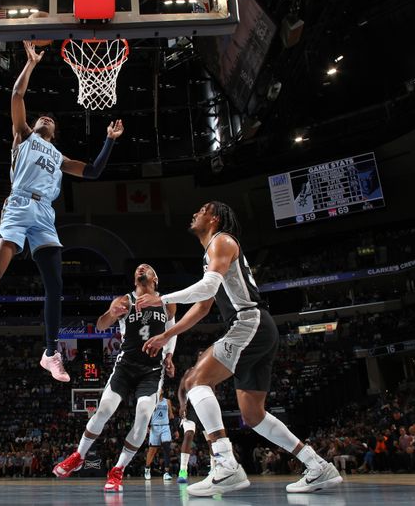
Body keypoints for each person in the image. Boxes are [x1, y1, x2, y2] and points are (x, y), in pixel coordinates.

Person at [139, 201, 342, 496]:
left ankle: (225, 464)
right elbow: (203, 306)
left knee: (195, 380)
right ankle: (317, 465)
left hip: (250, 322)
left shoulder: (222, 241)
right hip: (257, 328)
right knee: (253, 415)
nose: (194, 212)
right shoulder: (210, 254)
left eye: (202, 209)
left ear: (215, 218)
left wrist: (162, 298)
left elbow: (207, 289)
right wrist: (166, 335)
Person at [0, 41, 124, 382]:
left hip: (45, 215)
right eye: (41, 117)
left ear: (54, 131)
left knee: (55, 285)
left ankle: (50, 353)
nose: (44, 117)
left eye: (49, 119)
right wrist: (30, 64)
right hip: (19, 204)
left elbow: (92, 172)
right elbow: (17, 97)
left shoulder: (60, 157)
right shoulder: (23, 136)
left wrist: (109, 140)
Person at [52, 264, 176, 492]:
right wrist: (111, 314)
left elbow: (172, 330)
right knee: (104, 409)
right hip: (126, 366)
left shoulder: (167, 302)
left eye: (147, 268)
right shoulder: (124, 301)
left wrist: (169, 355)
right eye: (138, 268)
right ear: (135, 279)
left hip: (151, 370)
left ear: (155, 278)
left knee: (143, 415)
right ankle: (79, 455)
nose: (141, 268)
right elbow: (100, 325)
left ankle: (117, 470)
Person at [145, 389, 174, 481]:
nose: (160, 389)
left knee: (167, 448)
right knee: (152, 451)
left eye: (161, 388)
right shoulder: (152, 401)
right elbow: (147, 414)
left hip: (165, 426)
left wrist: (176, 430)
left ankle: (166, 472)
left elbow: (171, 415)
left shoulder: (167, 401)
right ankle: (147, 468)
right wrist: (146, 425)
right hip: (154, 427)